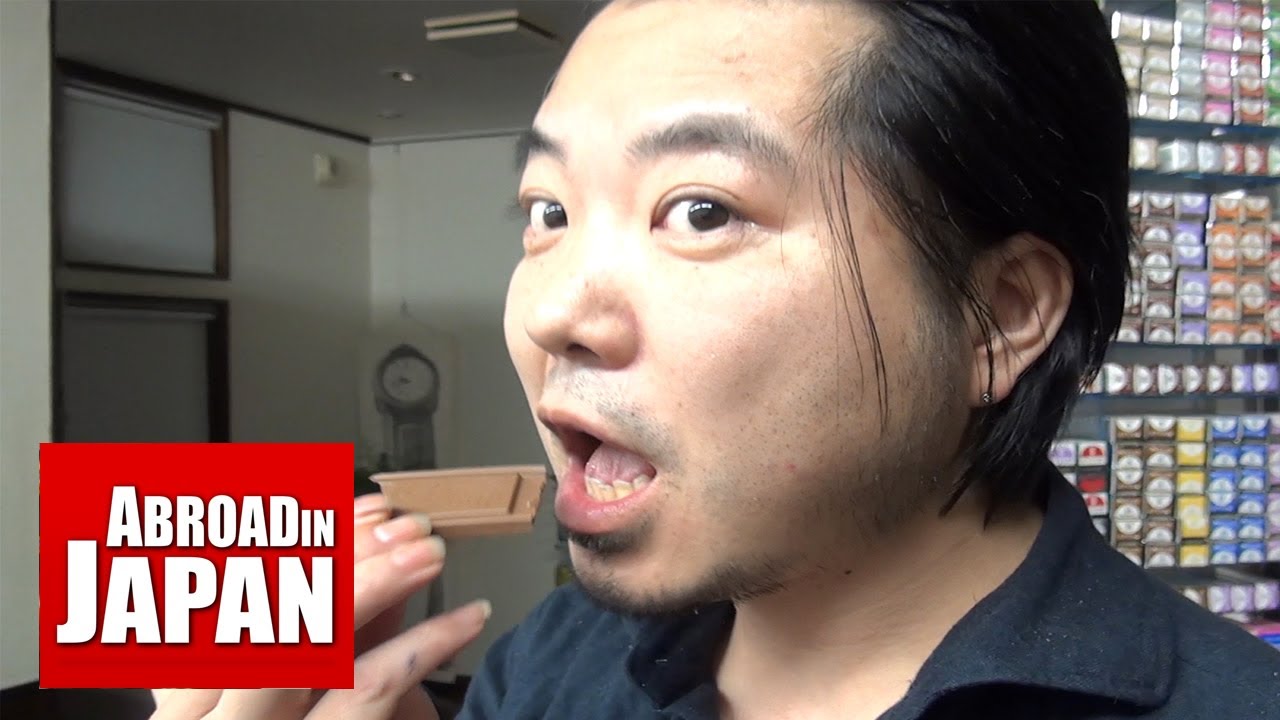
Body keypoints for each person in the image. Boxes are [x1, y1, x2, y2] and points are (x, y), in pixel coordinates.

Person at [150, 1, 1280, 719]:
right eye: (546, 211)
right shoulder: (553, 665)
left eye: (699, 210)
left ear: (999, 313)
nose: (553, 314)